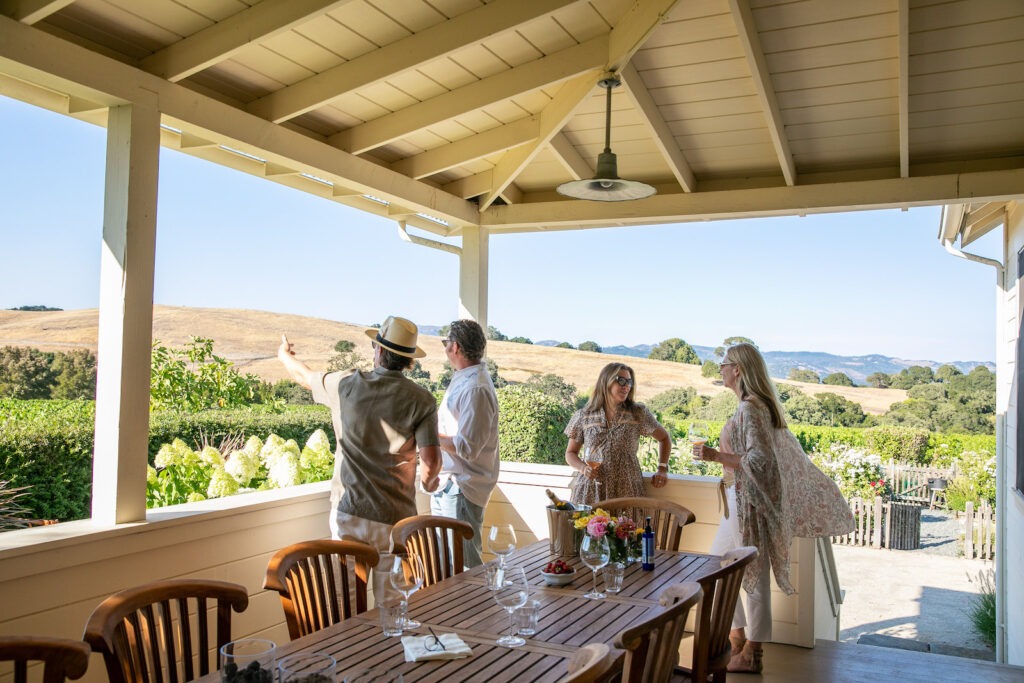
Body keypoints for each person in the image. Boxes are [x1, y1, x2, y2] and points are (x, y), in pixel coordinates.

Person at [693, 343, 854, 674]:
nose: (720, 369)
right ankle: (735, 641)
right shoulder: (751, 405)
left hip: (749, 503)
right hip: (739, 499)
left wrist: (713, 456)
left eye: (724, 364)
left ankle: (752, 653)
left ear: (737, 369)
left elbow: (760, 461)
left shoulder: (752, 407)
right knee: (715, 568)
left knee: (751, 575)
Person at [276, 316, 442, 553]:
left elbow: (304, 377)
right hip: (396, 517)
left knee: (348, 590)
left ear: (379, 350)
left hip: (349, 510)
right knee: (396, 589)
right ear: (409, 360)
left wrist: (284, 355)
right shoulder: (422, 399)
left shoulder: (347, 384)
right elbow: (431, 462)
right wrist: (429, 483)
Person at [432, 319, 499, 567]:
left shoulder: (476, 388)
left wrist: (428, 436)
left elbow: (469, 448)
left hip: (462, 487)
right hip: (447, 483)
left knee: (464, 567)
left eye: (446, 342)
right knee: (444, 566)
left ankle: (477, 607)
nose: (446, 348)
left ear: (456, 347)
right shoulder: (464, 378)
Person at [564, 362, 672, 507]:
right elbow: (570, 453)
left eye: (629, 382)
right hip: (591, 490)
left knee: (627, 530)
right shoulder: (584, 415)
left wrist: (662, 469)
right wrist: (583, 468)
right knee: (589, 529)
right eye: (621, 381)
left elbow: (664, 438)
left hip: (627, 490)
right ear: (606, 381)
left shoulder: (638, 413)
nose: (626, 386)